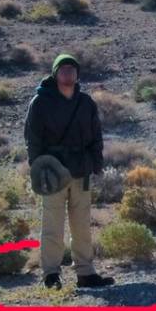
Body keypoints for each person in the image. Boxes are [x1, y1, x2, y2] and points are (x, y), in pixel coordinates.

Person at [22, 53, 114, 290]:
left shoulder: (85, 103)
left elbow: (96, 135)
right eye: (63, 70)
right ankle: (51, 274)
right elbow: (32, 139)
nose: (68, 74)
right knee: (53, 223)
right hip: (53, 171)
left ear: (77, 75)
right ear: (54, 73)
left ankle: (85, 272)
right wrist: (38, 167)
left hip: (81, 170)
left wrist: (96, 163)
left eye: (72, 70)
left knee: (82, 224)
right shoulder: (40, 102)